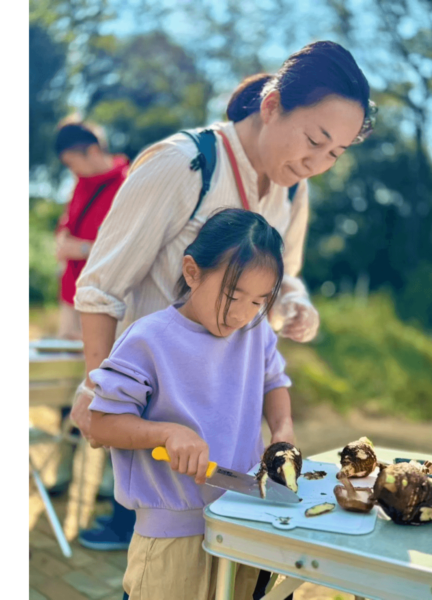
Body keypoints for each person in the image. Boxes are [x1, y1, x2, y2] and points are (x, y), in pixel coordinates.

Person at [71, 41, 373, 555]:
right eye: (314, 140)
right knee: (161, 560)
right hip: (156, 418)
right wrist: (100, 398)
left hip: (226, 428)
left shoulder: (294, 190)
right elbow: (101, 288)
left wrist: (294, 304)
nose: (317, 163)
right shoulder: (184, 165)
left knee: (223, 559)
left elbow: (285, 274)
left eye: (334, 154)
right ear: (273, 105)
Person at [89, 209, 290, 599]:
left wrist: (282, 432)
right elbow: (102, 425)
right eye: (232, 296)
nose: (241, 314)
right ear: (192, 272)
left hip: (247, 521)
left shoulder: (255, 331)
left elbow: (274, 382)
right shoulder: (149, 338)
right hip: (172, 538)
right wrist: (166, 432)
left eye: (258, 301)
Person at [54, 122, 129, 340]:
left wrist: (84, 249)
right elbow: (67, 225)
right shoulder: (81, 183)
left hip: (104, 300)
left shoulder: (128, 184)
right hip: (71, 296)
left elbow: (132, 246)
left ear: (93, 151)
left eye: (72, 163)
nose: (72, 170)